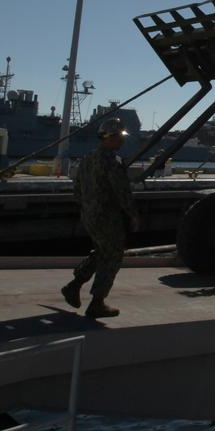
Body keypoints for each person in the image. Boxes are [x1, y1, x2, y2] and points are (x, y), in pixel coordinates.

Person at [61, 116, 139, 319]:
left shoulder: (87, 159)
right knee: (113, 256)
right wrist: (132, 215)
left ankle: (74, 285)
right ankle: (97, 302)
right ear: (111, 137)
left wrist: (88, 208)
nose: (122, 140)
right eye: (120, 136)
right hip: (107, 217)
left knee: (103, 250)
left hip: (89, 215)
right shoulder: (112, 161)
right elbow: (122, 192)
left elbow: (76, 189)